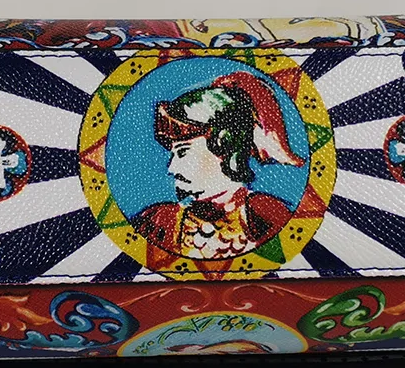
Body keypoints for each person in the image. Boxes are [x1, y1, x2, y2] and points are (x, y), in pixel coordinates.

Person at [131, 72, 306, 262]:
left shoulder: (267, 216)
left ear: (224, 144)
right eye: (173, 154)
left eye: (183, 152)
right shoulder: (159, 222)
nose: (172, 168)